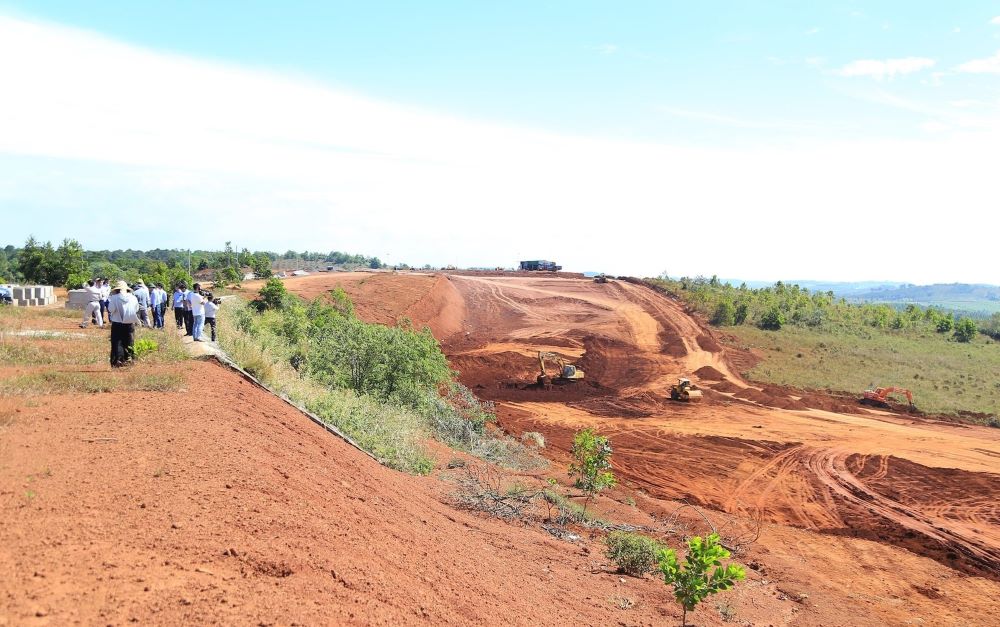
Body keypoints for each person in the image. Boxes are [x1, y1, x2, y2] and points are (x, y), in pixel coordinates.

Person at [107, 280, 139, 367]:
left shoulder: (114, 298)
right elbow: (136, 309)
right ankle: (129, 359)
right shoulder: (133, 298)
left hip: (117, 323)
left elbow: (110, 310)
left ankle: (118, 360)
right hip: (129, 323)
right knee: (129, 341)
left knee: (117, 342)